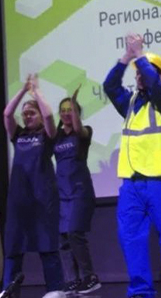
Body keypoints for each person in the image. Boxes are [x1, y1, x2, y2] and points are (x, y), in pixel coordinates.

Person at [103, 33, 161, 298]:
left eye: (146, 72)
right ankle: (141, 292)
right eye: (138, 72)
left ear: (160, 75)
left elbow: (153, 82)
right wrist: (126, 57)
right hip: (131, 184)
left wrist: (140, 55)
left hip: (159, 181)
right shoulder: (130, 102)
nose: (140, 76)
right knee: (131, 240)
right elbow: (109, 85)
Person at [0, 74, 64, 298]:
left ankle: (55, 291)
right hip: (19, 201)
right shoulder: (18, 134)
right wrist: (22, 91)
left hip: (43, 199)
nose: (27, 117)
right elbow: (7, 114)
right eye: (25, 114)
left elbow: (49, 115)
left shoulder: (48, 135)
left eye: (31, 113)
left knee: (47, 246)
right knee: (14, 247)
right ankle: (8, 291)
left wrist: (36, 92)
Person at [54, 88, 100, 293]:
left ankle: (90, 277)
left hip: (80, 191)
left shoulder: (84, 132)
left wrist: (74, 106)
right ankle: (72, 280)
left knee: (74, 232)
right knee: (63, 238)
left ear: (77, 114)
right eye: (63, 110)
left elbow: (80, 130)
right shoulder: (56, 136)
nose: (66, 113)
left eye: (71, 110)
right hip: (61, 193)